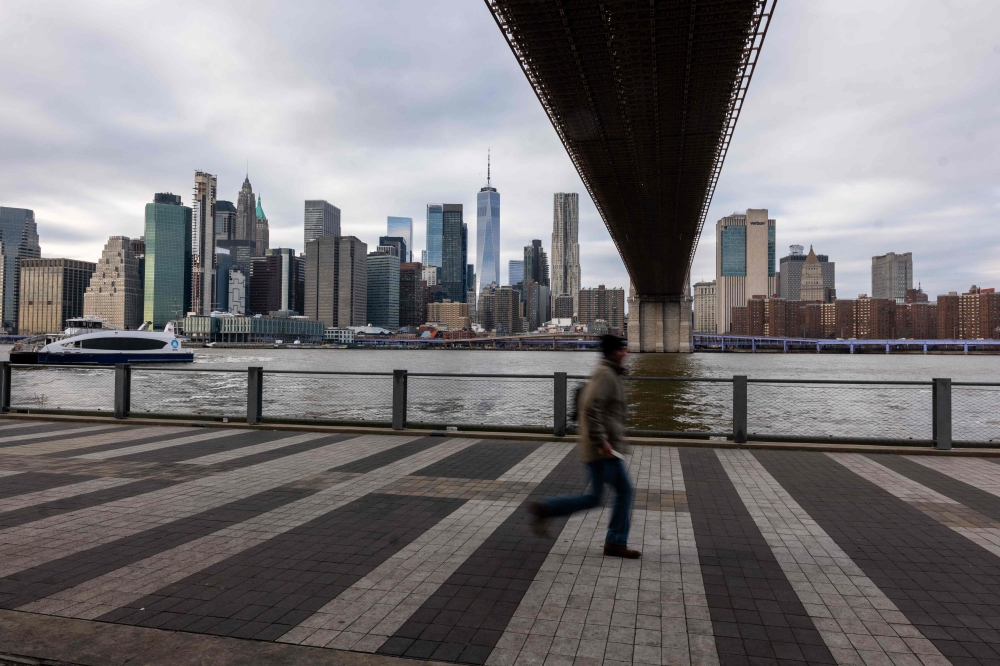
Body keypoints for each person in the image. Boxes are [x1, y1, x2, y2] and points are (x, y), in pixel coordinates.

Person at [530, 334, 640, 559]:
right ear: (612, 352)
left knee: (594, 497)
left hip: (601, 448)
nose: (625, 353)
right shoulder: (605, 375)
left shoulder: (610, 374)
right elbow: (590, 409)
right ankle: (615, 542)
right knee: (624, 491)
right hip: (602, 450)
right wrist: (602, 442)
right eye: (621, 349)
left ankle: (546, 509)